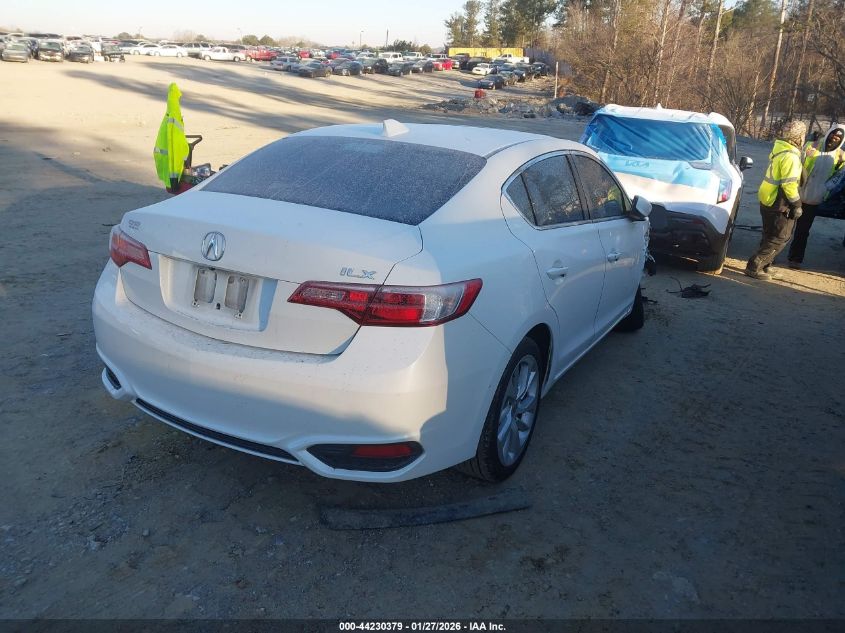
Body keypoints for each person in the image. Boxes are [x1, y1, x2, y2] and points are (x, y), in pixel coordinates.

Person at [745, 120, 806, 280]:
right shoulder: (791, 156)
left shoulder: (781, 149)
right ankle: (755, 266)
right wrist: (797, 204)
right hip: (779, 203)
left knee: (769, 234)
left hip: (768, 197)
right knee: (780, 237)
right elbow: (789, 184)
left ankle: (765, 265)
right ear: (800, 136)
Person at [787, 125, 845, 268]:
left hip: (814, 199)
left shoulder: (841, 156)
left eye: (838, 137)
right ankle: (771, 255)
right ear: (829, 133)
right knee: (784, 228)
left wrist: (825, 189)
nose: (834, 138)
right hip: (796, 193)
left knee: (803, 231)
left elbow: (838, 177)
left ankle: (795, 258)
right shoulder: (811, 145)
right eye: (833, 135)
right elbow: (796, 164)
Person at [153, 83, 189, 192]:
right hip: (173, 158)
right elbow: (173, 143)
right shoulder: (174, 113)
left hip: (167, 156)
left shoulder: (170, 111)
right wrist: (174, 180)